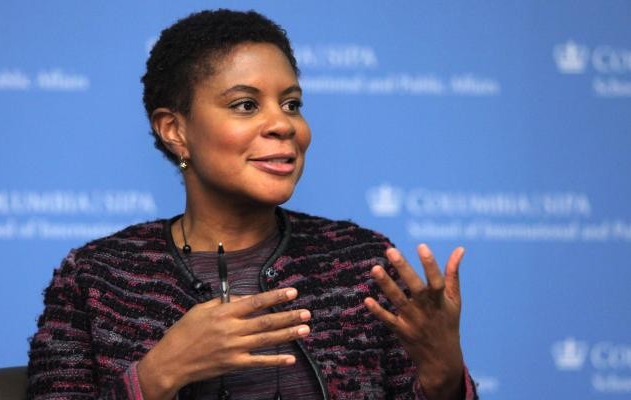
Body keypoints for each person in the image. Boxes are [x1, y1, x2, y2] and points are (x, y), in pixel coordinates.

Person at [27, 9, 477, 400]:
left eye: (291, 103)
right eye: (245, 104)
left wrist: (443, 379)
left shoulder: (362, 264)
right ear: (174, 130)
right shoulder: (97, 277)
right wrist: (158, 373)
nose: (282, 123)